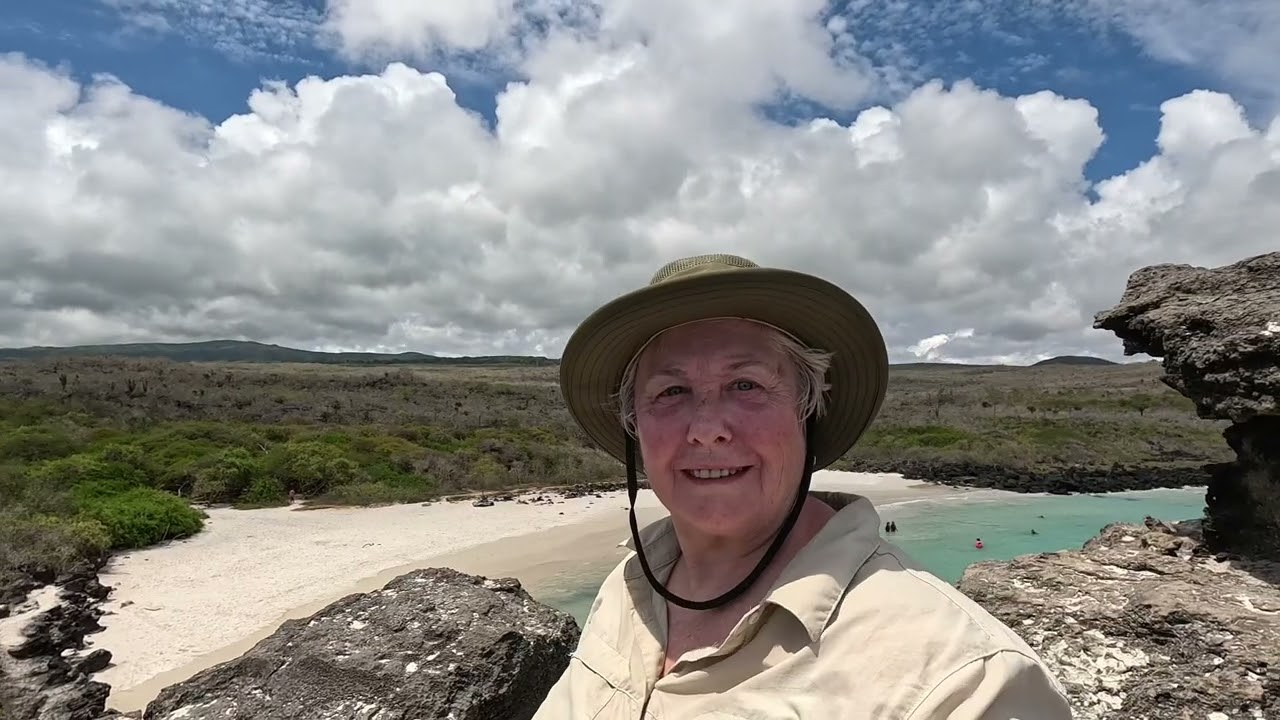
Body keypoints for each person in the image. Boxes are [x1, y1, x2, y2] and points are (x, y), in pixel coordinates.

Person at [535, 254, 1072, 719]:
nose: (706, 428)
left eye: (745, 385)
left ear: (809, 411)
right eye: (671, 391)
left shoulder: (962, 680)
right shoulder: (629, 586)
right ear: (635, 427)